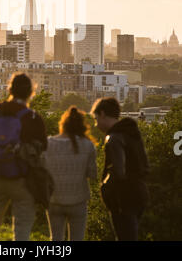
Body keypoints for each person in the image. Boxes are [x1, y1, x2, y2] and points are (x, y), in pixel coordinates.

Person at [0, 72, 47, 241]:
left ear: (10, 89)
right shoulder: (33, 117)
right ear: (31, 92)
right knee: (22, 227)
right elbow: (43, 146)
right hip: (22, 179)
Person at [91, 97, 149, 241]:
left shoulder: (114, 138)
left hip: (123, 198)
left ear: (103, 114)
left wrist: (105, 187)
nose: (96, 124)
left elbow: (118, 170)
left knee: (125, 236)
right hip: (139, 192)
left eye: (96, 119)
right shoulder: (131, 134)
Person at [42, 106, 97, 241]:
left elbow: (42, 170)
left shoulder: (48, 144)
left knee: (55, 238)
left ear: (63, 124)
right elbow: (93, 174)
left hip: (54, 199)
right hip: (78, 200)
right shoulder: (88, 145)